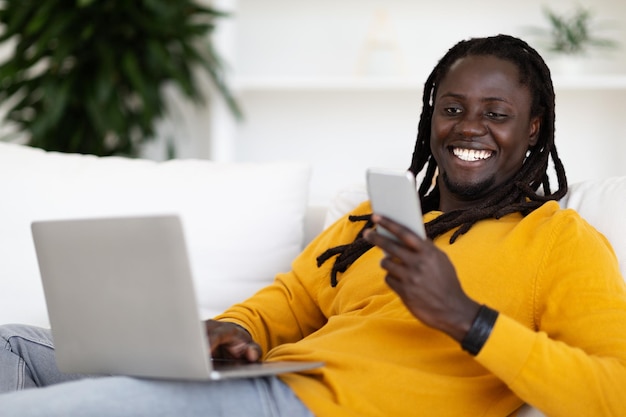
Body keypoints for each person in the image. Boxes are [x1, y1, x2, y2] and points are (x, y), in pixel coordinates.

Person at [1, 34, 626, 416]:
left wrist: (466, 318)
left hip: (314, 409)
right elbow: (295, 296)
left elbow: (613, 391)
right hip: (270, 380)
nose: (469, 128)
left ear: (533, 129)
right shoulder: (376, 218)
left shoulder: (560, 242)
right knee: (9, 346)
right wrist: (235, 328)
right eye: (453, 109)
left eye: (497, 114)